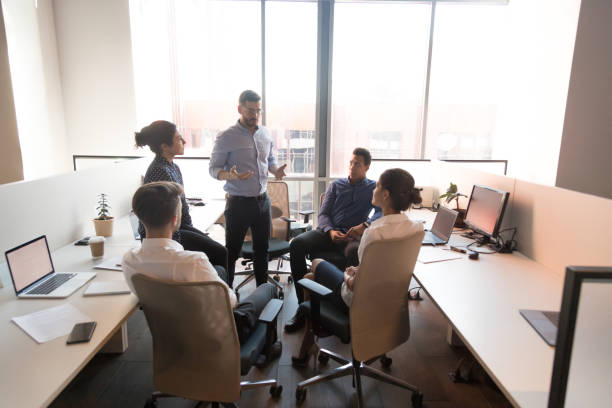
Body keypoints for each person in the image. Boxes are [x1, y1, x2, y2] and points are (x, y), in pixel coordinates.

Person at [290, 168, 423, 362]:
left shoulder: (374, 234)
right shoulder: (416, 228)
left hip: (357, 303)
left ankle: (311, 336)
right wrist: (359, 269)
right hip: (390, 303)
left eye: (377, 187)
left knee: (316, 267)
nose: (373, 190)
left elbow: (355, 284)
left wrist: (348, 274)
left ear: (385, 195)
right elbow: (383, 265)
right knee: (309, 254)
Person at [122, 181, 277, 345]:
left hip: (170, 337)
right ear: (175, 220)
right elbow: (231, 302)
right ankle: (268, 347)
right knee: (267, 288)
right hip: (218, 336)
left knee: (219, 270)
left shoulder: (129, 261)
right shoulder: (193, 262)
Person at [285, 147, 381, 331]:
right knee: (297, 244)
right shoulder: (336, 185)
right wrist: (330, 231)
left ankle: (343, 307)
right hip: (327, 232)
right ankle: (301, 306)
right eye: (351, 163)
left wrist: (365, 225)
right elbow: (323, 213)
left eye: (357, 164)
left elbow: (380, 211)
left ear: (367, 167)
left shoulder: (373, 188)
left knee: (354, 252)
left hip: (352, 236)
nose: (352, 167)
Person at [209, 90, 286, 288]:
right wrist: (230, 175)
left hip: (262, 200)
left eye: (258, 110)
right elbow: (213, 169)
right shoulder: (226, 136)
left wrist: (276, 171)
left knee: (263, 249)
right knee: (232, 251)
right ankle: (227, 293)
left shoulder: (265, 134)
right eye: (250, 110)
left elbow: (269, 160)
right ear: (240, 109)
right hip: (238, 203)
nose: (254, 114)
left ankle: (263, 291)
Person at [135, 120, 228, 275]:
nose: (184, 141)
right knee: (220, 253)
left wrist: (193, 231)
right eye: (178, 138)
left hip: (178, 226)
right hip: (166, 233)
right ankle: (222, 293)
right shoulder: (160, 171)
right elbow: (163, 215)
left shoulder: (172, 167)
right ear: (164, 146)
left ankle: (216, 284)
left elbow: (180, 207)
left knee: (217, 250)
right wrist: (178, 248)